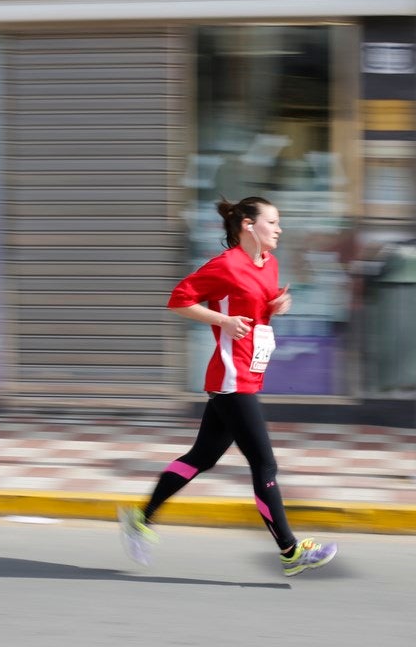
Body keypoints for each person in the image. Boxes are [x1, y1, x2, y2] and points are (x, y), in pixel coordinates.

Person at [119, 196, 338, 577]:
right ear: (249, 226)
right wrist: (222, 321)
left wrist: (275, 305)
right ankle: (290, 551)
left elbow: (257, 308)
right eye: (273, 221)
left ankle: (140, 519)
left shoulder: (269, 263)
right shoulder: (226, 265)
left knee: (202, 457)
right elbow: (178, 300)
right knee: (265, 464)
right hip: (231, 377)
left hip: (250, 372)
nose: (279, 229)